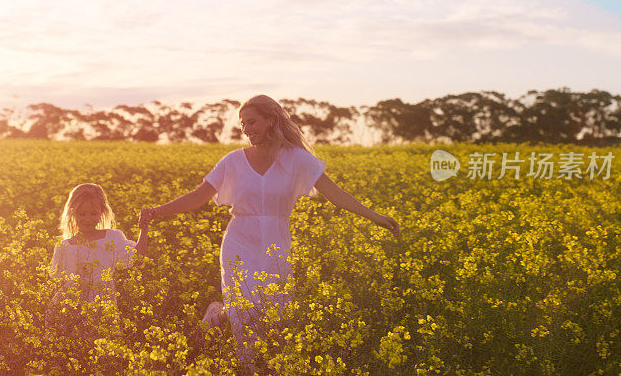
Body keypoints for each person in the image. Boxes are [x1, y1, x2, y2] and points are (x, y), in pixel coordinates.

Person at [138, 95, 400, 366]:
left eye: (252, 122)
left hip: (276, 241)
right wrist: (157, 211)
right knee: (244, 310)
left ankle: (218, 315)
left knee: (277, 311)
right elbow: (198, 196)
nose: (246, 129)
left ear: (271, 120)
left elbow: (335, 193)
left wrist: (375, 217)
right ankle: (248, 367)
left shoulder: (298, 159)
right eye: (242, 124)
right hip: (239, 241)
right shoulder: (233, 161)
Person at [46, 183, 149, 337]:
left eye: (93, 213)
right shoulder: (63, 246)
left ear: (102, 212)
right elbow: (57, 281)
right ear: (72, 213)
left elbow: (137, 258)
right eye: (82, 214)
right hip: (70, 310)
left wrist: (144, 228)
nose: (88, 219)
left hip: (103, 307)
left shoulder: (112, 237)